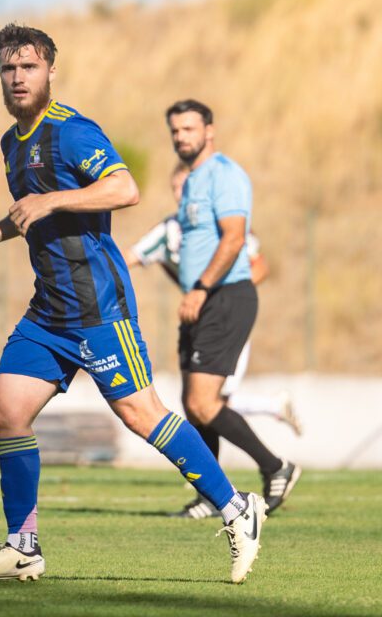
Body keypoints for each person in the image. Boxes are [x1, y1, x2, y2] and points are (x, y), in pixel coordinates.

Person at [0, 24, 266, 585]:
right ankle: (22, 546)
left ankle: (238, 508)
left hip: (98, 307)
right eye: (9, 68)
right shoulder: (11, 143)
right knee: (7, 411)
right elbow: (31, 211)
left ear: (51, 71)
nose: (18, 77)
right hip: (48, 312)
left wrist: (52, 200)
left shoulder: (73, 132)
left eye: (29, 66)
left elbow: (125, 188)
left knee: (142, 414)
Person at [163, 100, 301, 519]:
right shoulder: (191, 181)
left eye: (189, 129)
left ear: (209, 131)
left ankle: (275, 466)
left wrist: (202, 288)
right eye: (175, 130)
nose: (181, 137)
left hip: (224, 296)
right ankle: (212, 493)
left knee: (205, 403)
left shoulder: (225, 174)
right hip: (200, 301)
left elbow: (234, 238)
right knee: (193, 406)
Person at [123, 165, 303, 444]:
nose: (181, 193)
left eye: (186, 186)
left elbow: (260, 267)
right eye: (175, 188)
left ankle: (271, 457)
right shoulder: (169, 230)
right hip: (197, 321)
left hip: (227, 318)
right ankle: (271, 413)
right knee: (202, 403)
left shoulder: (223, 228)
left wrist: (220, 295)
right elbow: (130, 256)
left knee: (206, 402)